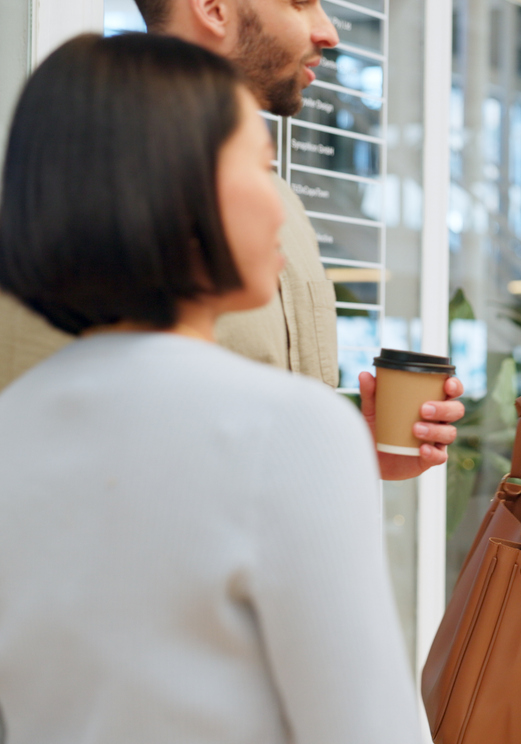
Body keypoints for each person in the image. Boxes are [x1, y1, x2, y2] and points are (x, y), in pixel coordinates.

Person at [0, 34, 419, 742]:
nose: (281, 204)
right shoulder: (287, 426)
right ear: (176, 188)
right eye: (259, 165)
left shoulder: (16, 419)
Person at [0, 0, 463, 482]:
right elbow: (49, 475)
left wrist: (353, 456)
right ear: (213, 8)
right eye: (300, 3)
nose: (328, 32)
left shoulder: (280, 204)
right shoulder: (83, 204)